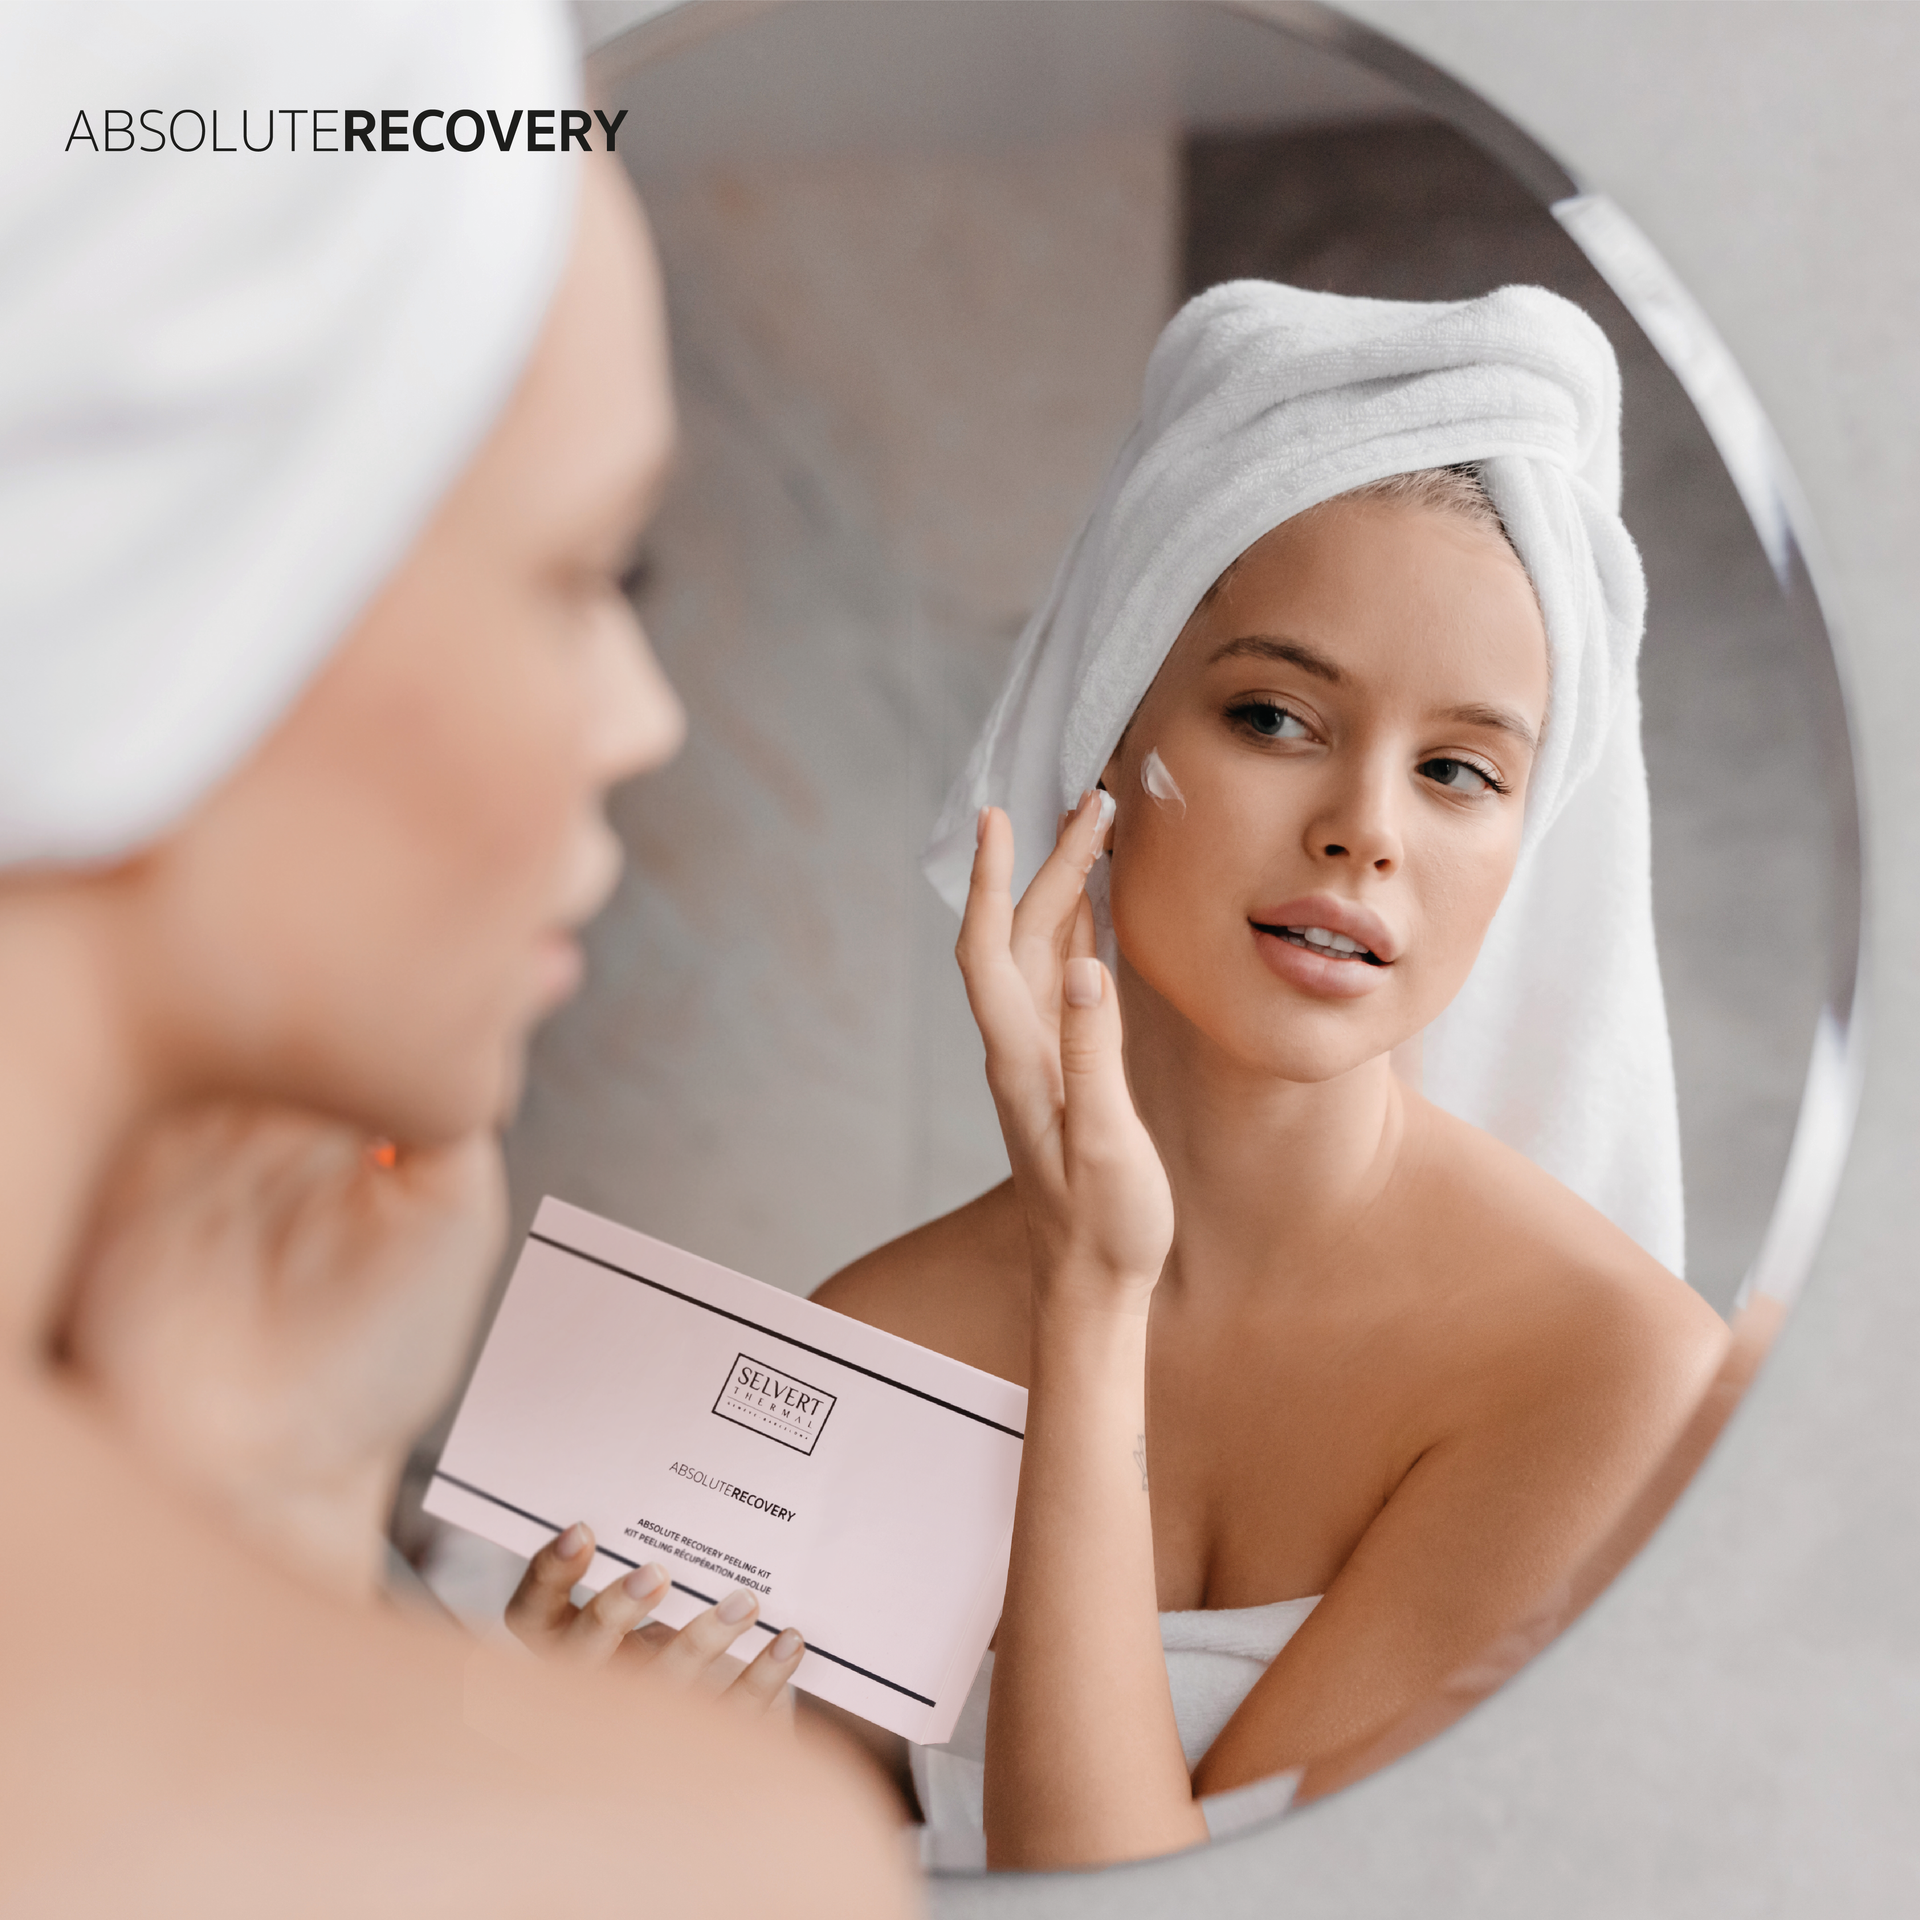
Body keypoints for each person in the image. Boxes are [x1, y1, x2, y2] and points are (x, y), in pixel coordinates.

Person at [0, 7, 911, 1914]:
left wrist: (263, 1502)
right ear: (193, 584)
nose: (644, 719)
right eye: (589, 574)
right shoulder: (656, 1861)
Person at [808, 281, 1732, 1868]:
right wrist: (632, 1740)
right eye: (1275, 716)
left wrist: (1090, 1306)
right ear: (1108, 747)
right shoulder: (870, 1349)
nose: (1366, 827)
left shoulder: (1610, 1375)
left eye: (1459, 770)